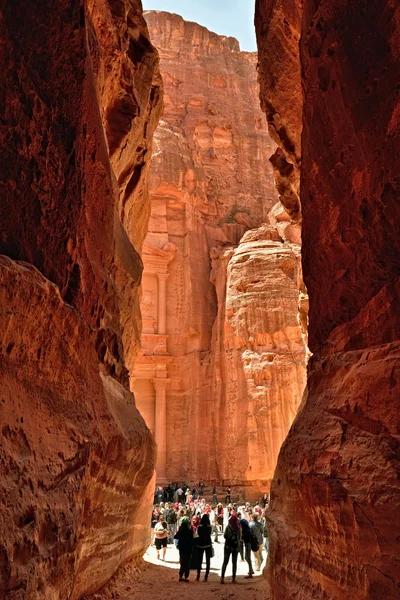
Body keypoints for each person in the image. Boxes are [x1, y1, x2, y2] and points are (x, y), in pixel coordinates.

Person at [220, 514, 240, 584]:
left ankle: (222, 578)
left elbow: (225, 536)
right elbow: (239, 538)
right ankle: (233, 578)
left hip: (227, 547)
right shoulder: (238, 528)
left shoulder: (228, 527)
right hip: (235, 547)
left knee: (225, 562)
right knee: (234, 563)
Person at [174, 517, 194, 582]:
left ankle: (180, 576)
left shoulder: (181, 531)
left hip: (182, 548)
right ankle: (186, 577)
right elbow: (192, 540)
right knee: (187, 562)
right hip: (188, 548)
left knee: (182, 561)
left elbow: (175, 537)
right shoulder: (190, 531)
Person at [196, 513, 212, 581]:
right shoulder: (209, 527)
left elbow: (198, 534)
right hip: (208, 543)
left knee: (199, 560)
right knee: (208, 560)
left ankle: (198, 575)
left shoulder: (199, 527)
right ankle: (206, 576)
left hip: (200, 544)